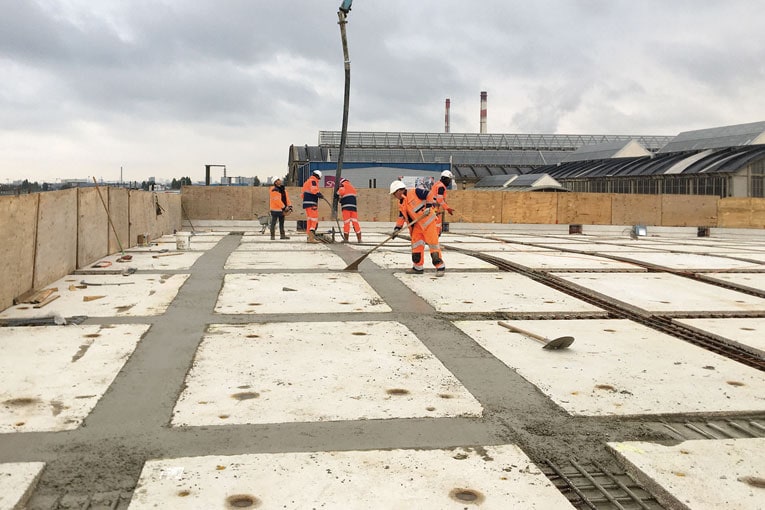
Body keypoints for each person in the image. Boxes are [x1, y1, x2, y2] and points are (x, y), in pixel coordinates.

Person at [389, 180, 445, 276]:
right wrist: (397, 229)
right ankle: (417, 267)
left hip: (428, 223)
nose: (394, 196)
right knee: (416, 246)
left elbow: (430, 194)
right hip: (417, 226)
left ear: (399, 191)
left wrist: (428, 207)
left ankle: (440, 267)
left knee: (433, 245)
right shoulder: (401, 203)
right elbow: (401, 217)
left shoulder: (415, 192)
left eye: (394, 194)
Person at [427, 170, 455, 236]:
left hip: (432, 207)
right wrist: (447, 208)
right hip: (434, 208)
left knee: (433, 224)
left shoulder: (437, 184)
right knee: (437, 225)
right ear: (444, 179)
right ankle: (435, 239)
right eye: (449, 180)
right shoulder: (441, 187)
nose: (449, 182)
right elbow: (440, 200)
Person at [337, 177, 362, 242]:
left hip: (346, 207)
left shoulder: (342, 185)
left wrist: (338, 195)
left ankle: (346, 239)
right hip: (353, 207)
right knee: (355, 222)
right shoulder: (352, 187)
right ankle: (359, 239)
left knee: (346, 223)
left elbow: (341, 192)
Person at [302, 169, 323, 243]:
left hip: (306, 204)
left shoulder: (307, 182)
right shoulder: (313, 181)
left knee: (309, 220)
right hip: (312, 203)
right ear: (318, 176)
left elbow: (303, 194)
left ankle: (309, 237)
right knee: (314, 220)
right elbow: (314, 189)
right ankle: (311, 238)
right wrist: (319, 194)